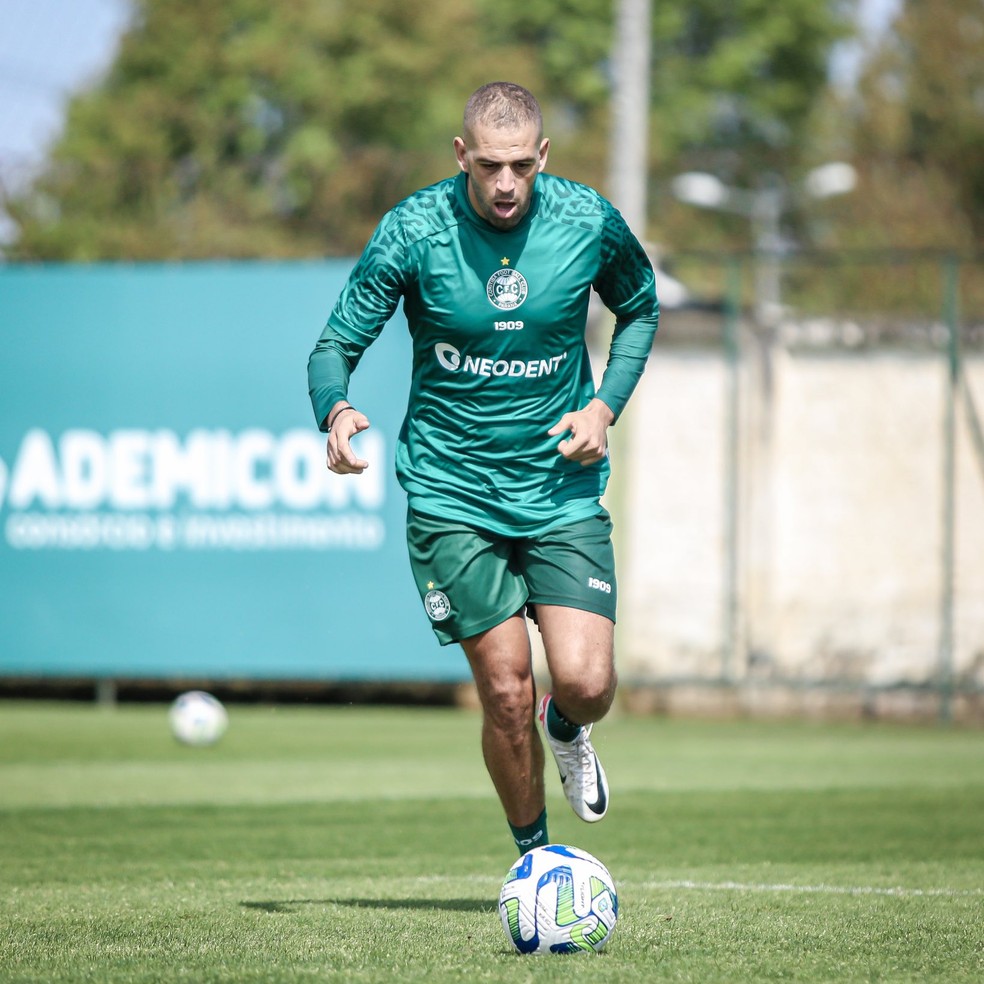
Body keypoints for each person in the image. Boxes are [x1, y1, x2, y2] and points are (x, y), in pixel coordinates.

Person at [308, 81, 659, 855]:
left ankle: (567, 730)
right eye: (490, 166)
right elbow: (334, 343)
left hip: (558, 486)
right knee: (506, 691)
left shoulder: (586, 220)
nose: (506, 185)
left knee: (587, 683)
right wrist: (335, 410)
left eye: (521, 168)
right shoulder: (415, 229)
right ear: (461, 155)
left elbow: (640, 306)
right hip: (452, 494)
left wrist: (605, 407)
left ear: (543, 158)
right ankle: (537, 864)